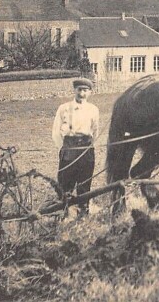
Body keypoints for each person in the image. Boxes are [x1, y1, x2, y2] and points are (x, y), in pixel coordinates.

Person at [52, 78, 100, 216]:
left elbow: (95, 131)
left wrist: (89, 145)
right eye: (79, 90)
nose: (82, 93)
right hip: (69, 148)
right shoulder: (64, 108)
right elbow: (56, 132)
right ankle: (64, 211)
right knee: (66, 181)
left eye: (85, 90)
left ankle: (83, 210)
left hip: (86, 148)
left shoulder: (93, 110)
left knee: (85, 181)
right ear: (74, 91)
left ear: (90, 92)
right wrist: (64, 148)